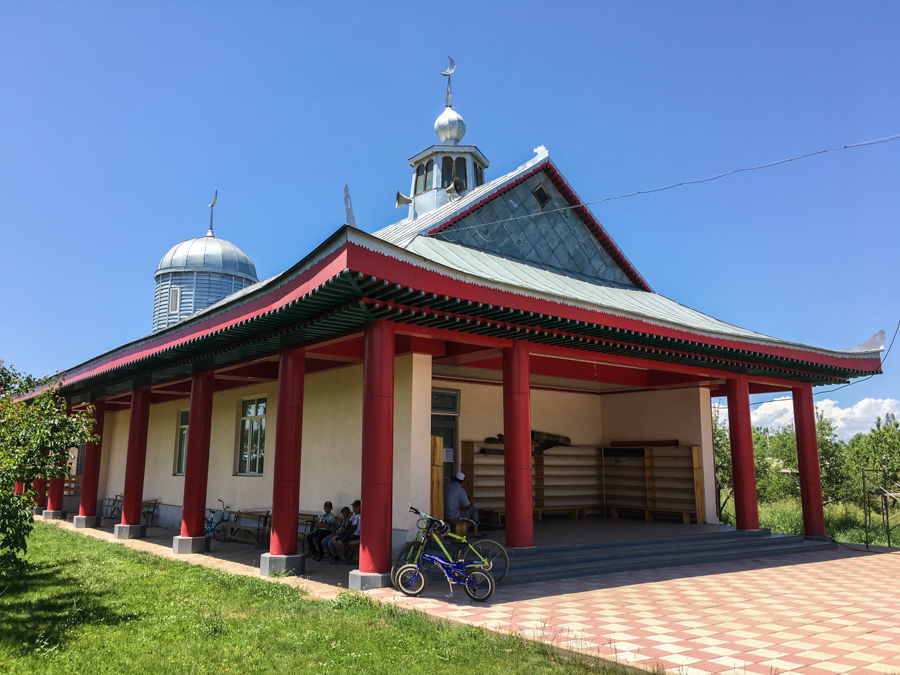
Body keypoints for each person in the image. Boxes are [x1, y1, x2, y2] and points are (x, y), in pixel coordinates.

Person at [444, 471, 482, 537]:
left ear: (453, 478)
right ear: (462, 482)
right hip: (454, 516)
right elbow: (468, 506)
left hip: (443, 515)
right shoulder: (461, 490)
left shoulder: (446, 487)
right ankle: (476, 532)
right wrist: (470, 501)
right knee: (473, 509)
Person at [333, 499, 361, 565]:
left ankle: (348, 555)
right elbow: (346, 526)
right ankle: (347, 552)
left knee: (340, 542)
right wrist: (349, 517)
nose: (354, 509)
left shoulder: (362, 516)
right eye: (353, 507)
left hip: (356, 534)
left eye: (356, 507)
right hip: (350, 533)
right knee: (334, 541)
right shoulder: (353, 516)